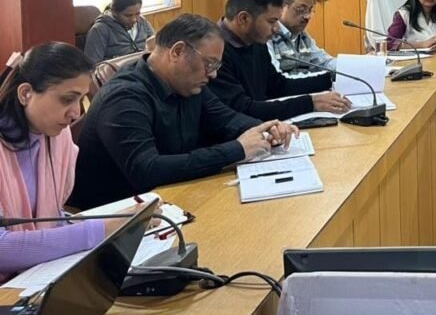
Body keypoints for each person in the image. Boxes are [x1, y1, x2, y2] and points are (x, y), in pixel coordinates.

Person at [70, 14, 298, 210]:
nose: (213, 75)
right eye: (210, 64)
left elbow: (227, 119)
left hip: (173, 198)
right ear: (177, 52)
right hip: (119, 218)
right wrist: (237, 150)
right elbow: (147, 170)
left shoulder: (188, 84)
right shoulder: (124, 97)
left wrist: (265, 128)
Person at [0, 43, 133, 280]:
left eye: (80, 99)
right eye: (67, 99)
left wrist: (120, 222)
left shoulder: (56, 137)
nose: (76, 113)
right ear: (25, 93)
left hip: (34, 275)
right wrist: (101, 230)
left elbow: (52, 216)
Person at [208, 0, 350, 120]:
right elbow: (244, 110)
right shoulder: (214, 52)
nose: (276, 29)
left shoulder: (254, 41)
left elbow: (278, 86)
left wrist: (331, 79)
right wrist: (311, 103)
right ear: (244, 19)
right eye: (272, 21)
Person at [269, 0, 336, 74]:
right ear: (283, 7)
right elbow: (277, 79)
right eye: (301, 9)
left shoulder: (303, 36)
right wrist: (322, 79)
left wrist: (349, 65)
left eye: (310, 10)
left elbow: (324, 63)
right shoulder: (268, 35)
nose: (307, 16)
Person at [83, 0, 155, 62]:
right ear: (114, 12)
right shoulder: (99, 30)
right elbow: (92, 65)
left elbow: (156, 46)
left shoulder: (142, 22)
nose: (134, 19)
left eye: (137, 14)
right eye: (128, 15)